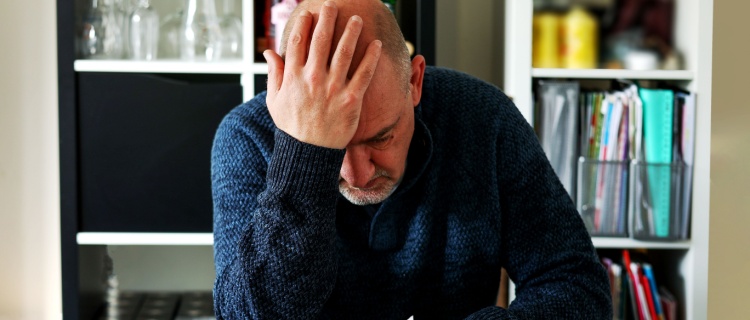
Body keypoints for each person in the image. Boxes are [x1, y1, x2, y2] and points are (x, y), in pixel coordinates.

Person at [211, 0, 612, 318]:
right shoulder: (247, 136)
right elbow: (248, 315)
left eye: (381, 136)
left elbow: (576, 284)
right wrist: (304, 155)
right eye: (336, 151)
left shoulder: (483, 117)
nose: (358, 174)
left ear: (415, 81)